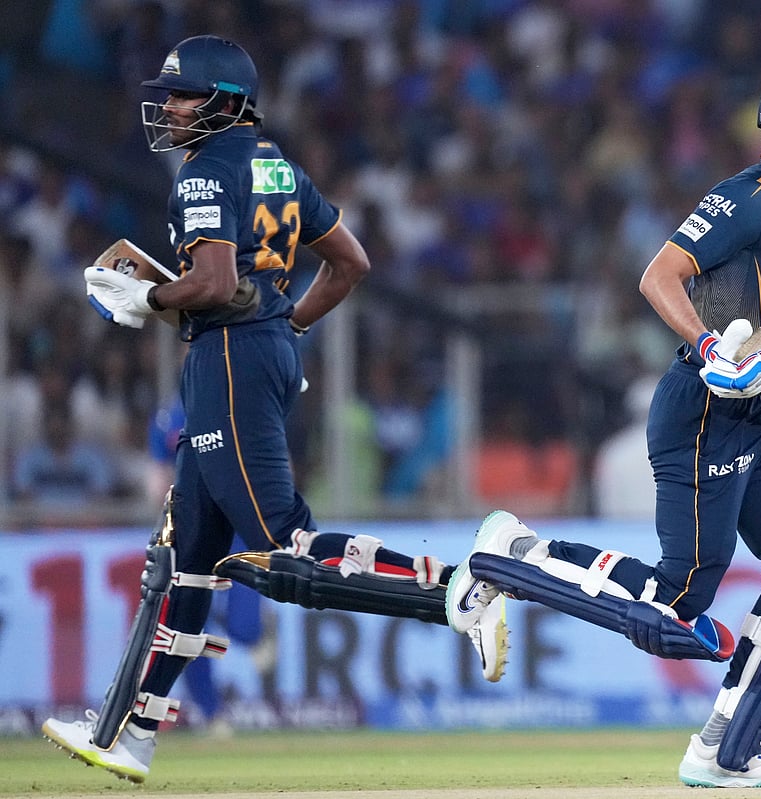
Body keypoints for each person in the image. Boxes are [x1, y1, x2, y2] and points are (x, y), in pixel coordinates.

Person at [42, 35, 506, 783]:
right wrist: (285, 327)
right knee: (185, 557)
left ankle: (454, 590)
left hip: (227, 356)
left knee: (283, 542)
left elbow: (217, 281)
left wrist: (150, 296)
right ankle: (129, 734)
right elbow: (349, 262)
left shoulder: (204, 168)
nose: (171, 108)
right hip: (256, 350)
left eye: (184, 95)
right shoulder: (279, 165)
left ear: (225, 100)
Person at [446, 66, 761, 789]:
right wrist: (710, 346)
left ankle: (727, 748)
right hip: (705, 412)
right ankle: (513, 554)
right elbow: (659, 275)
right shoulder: (744, 196)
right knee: (676, 607)